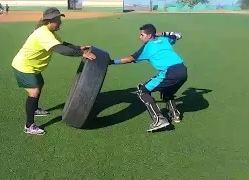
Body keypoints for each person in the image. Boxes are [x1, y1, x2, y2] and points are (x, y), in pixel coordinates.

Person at [11, 7, 96, 135]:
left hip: (32, 67)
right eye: (58, 19)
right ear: (50, 20)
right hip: (24, 66)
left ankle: (34, 109)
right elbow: (61, 49)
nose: (60, 22)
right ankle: (29, 125)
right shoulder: (43, 34)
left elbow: (64, 44)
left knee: (40, 84)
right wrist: (81, 53)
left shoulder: (50, 33)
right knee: (34, 91)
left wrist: (78, 47)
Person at [109, 24, 187, 132]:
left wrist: (111, 62)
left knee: (142, 90)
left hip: (170, 73)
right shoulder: (165, 40)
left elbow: (130, 59)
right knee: (167, 92)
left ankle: (159, 119)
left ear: (149, 36)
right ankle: (175, 115)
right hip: (183, 70)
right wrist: (163, 33)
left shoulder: (147, 47)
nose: (140, 37)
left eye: (142, 35)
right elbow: (178, 35)